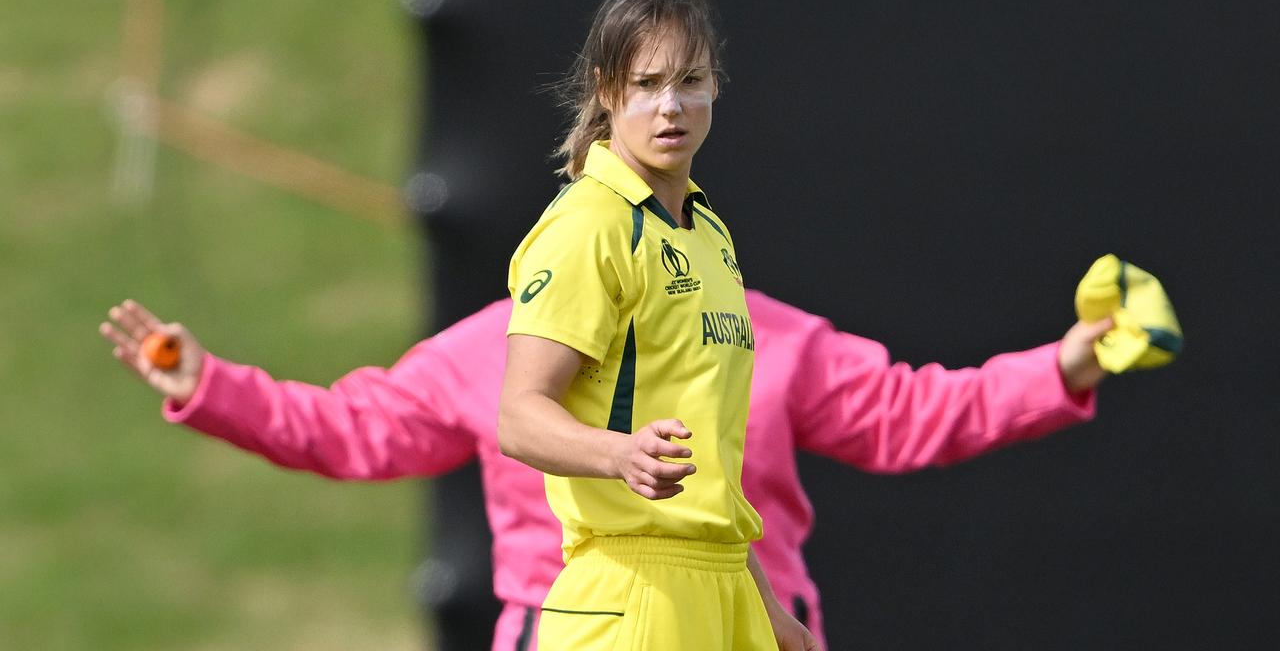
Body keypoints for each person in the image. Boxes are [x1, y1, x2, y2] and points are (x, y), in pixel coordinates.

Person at [492, 0, 1105, 651]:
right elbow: (519, 415)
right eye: (646, 84)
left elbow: (711, 492)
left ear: (716, 86)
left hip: (722, 585)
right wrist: (619, 453)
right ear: (607, 90)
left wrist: (773, 617)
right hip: (630, 594)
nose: (671, 106)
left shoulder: (707, 235)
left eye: (690, 80)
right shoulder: (590, 225)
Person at [100, 293, 1107, 650]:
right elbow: (349, 429)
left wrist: (1053, 367)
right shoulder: (494, 349)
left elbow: (913, 412)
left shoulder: (762, 339)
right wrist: (208, 382)